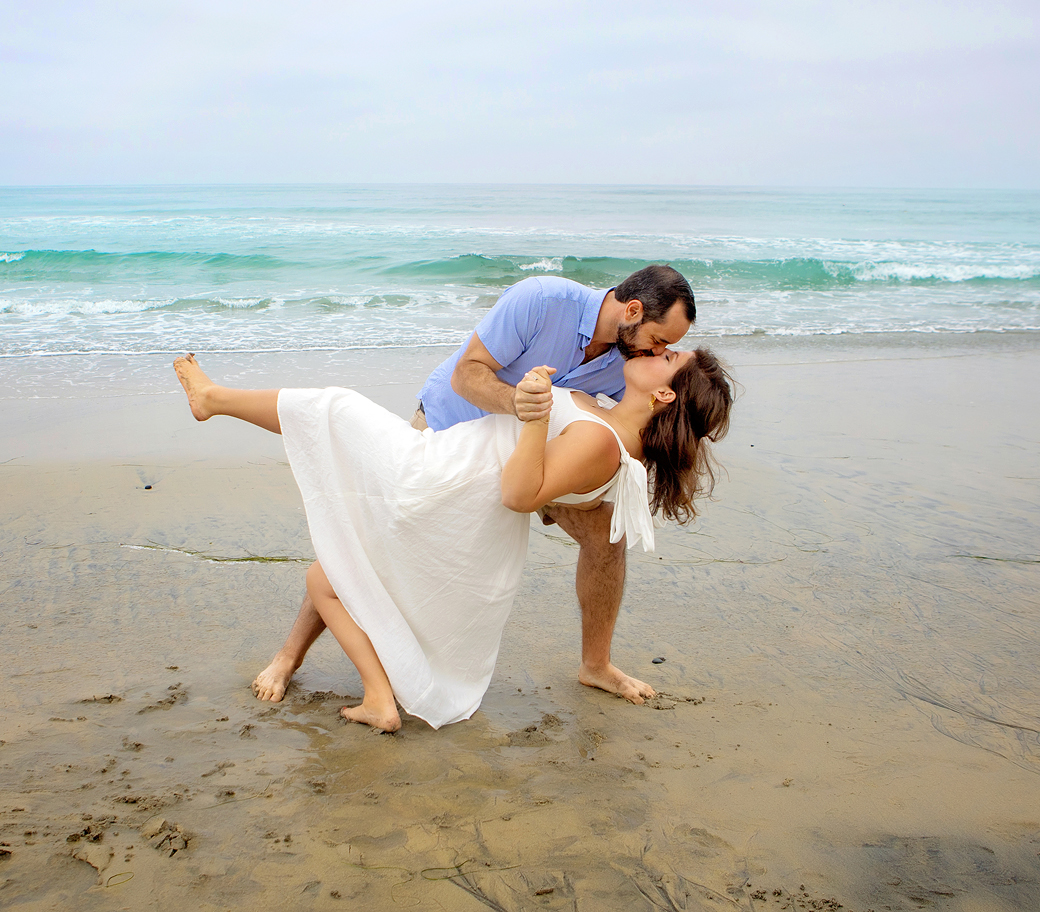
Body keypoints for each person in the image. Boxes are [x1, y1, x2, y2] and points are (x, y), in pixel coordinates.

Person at [173, 344, 730, 730]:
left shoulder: (604, 443)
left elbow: (520, 493)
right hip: (457, 485)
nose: (660, 353)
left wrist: (535, 414)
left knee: (334, 414)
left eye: (670, 359)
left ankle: (212, 400)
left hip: (444, 478)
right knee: (332, 573)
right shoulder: (614, 428)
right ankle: (376, 696)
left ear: (665, 397)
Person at [249, 265, 698, 707]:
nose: (655, 352)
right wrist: (519, 403)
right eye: (659, 341)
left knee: (606, 536)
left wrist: (587, 481)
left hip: (539, 457)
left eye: (667, 350)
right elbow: (466, 374)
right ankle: (288, 657)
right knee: (369, 535)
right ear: (633, 311)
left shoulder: (630, 363)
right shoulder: (542, 301)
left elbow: (626, 427)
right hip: (454, 431)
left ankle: (595, 666)